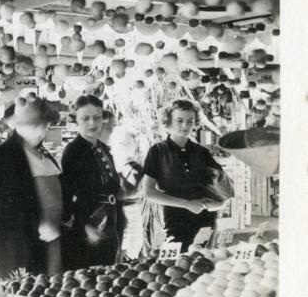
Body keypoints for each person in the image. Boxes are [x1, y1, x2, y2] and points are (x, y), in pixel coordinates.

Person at [0, 95, 62, 284]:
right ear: (18, 126)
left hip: (52, 244)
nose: (41, 131)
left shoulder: (44, 153)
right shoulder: (4, 156)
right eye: (34, 125)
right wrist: (37, 223)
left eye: (44, 125)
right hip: (21, 248)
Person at [141, 99, 226, 251]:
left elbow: (223, 191)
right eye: (179, 120)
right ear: (168, 122)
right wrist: (186, 204)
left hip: (204, 222)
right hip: (173, 221)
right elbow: (148, 192)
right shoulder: (157, 151)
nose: (185, 126)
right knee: (174, 269)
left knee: (204, 265)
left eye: (190, 121)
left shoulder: (202, 152)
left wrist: (218, 203)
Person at [60, 95, 125, 270]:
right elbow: (69, 194)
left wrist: (118, 189)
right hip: (88, 229)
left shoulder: (103, 148)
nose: (92, 123)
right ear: (76, 121)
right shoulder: (73, 151)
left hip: (110, 222)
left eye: (97, 117)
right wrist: (84, 227)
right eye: (85, 118)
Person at [110, 125, 145, 260]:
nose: (124, 146)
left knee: (128, 254)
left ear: (135, 145)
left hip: (131, 213)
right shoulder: (113, 163)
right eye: (121, 144)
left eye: (128, 143)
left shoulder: (135, 168)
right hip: (115, 215)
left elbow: (134, 191)